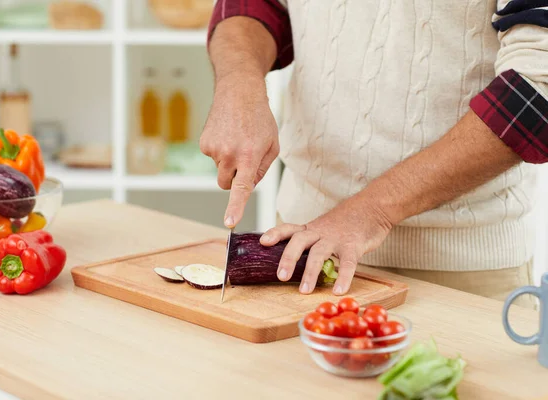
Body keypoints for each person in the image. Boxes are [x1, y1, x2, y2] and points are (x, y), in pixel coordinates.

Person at [199, 0, 548, 308]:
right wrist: (238, 84)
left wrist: (372, 211)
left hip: (462, 269)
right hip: (301, 244)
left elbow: (537, 91)